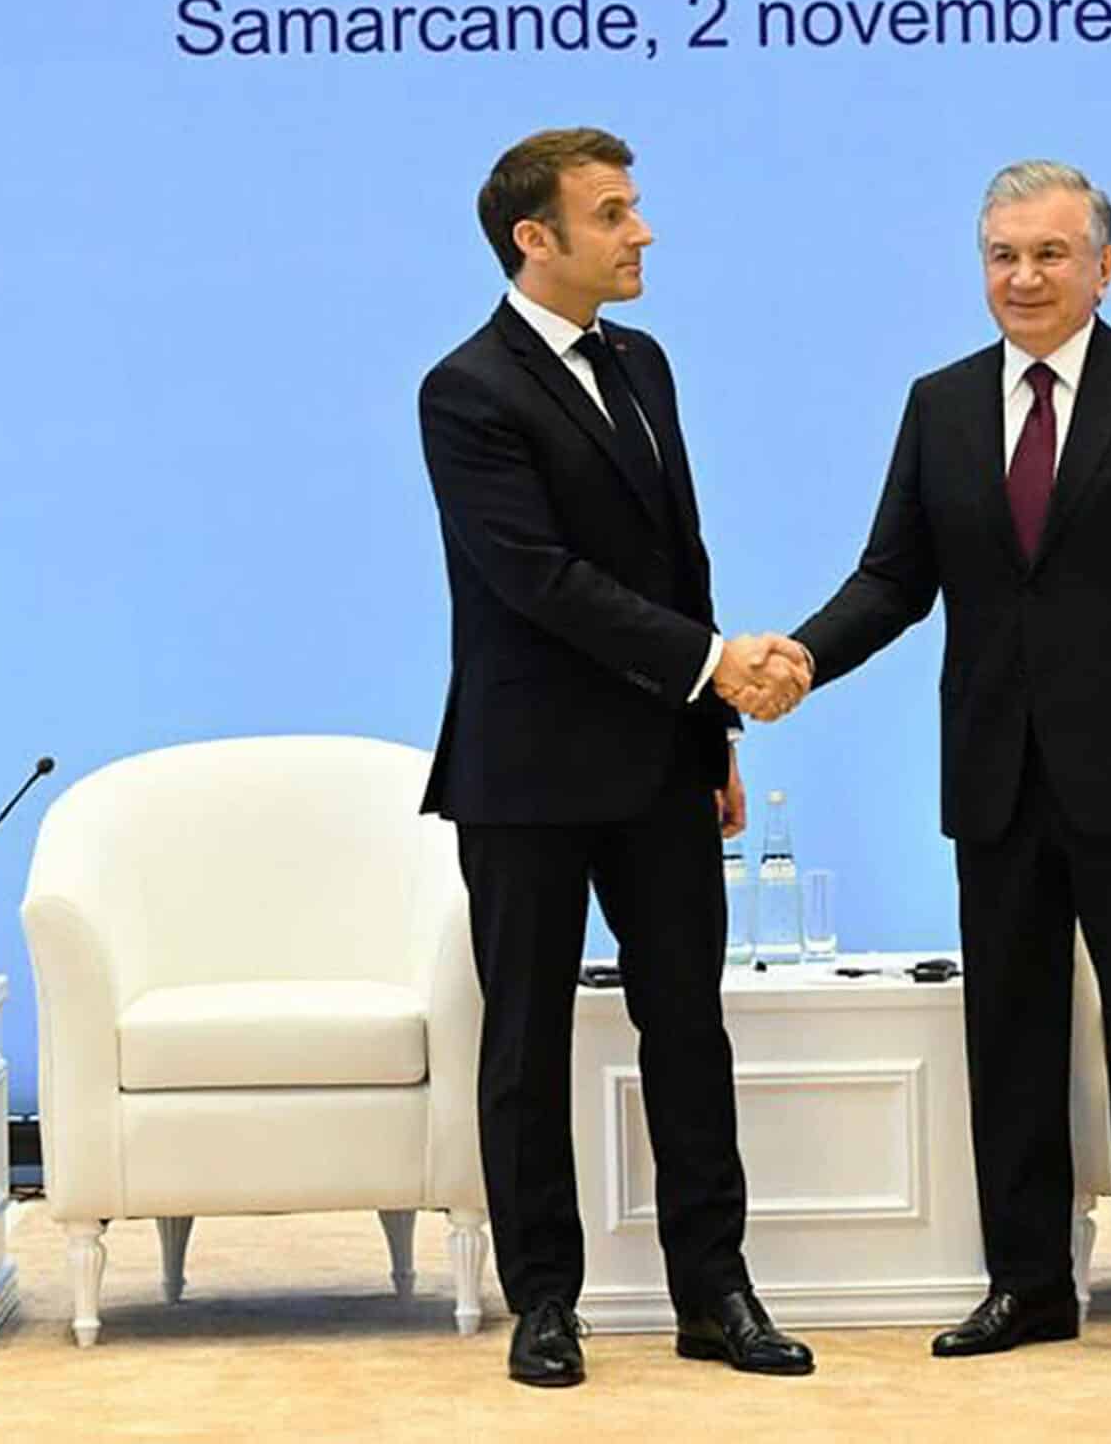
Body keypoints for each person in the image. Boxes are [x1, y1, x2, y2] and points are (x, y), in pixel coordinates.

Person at [784, 160, 1111, 1370]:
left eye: (1050, 254)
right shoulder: (940, 403)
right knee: (1009, 1035)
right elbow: (894, 576)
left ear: (1103, 264)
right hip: (997, 772)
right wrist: (795, 658)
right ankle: (1029, 1284)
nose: (1024, 276)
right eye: (1003, 254)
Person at [416, 126, 815, 1390]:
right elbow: (538, 580)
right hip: (526, 772)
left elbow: (675, 558)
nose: (641, 232)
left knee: (689, 1028)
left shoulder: (645, 362)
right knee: (526, 1042)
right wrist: (714, 661)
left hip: (656, 760)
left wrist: (715, 732)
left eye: (636, 208)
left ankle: (718, 1291)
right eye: (612, 213)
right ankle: (546, 1300)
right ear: (536, 239)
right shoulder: (465, 387)